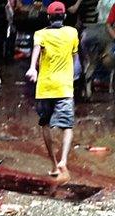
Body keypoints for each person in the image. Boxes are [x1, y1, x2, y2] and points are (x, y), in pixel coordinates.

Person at [27, 1, 79, 182]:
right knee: (68, 127)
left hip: (45, 88)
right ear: (64, 16)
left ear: (48, 17)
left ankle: (53, 164)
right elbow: (75, 55)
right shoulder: (72, 33)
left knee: (45, 124)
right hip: (65, 87)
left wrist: (33, 68)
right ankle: (63, 160)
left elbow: (36, 49)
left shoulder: (40, 34)